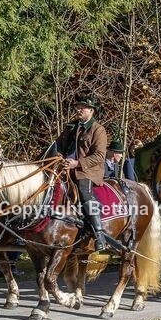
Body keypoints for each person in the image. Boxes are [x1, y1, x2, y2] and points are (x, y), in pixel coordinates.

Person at [56, 96, 114, 251]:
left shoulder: (98, 130)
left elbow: (99, 156)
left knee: (84, 192)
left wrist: (77, 163)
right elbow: (58, 146)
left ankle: (99, 234)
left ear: (91, 110)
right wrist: (60, 158)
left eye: (82, 107)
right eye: (78, 107)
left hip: (87, 171)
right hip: (65, 168)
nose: (78, 109)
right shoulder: (71, 127)